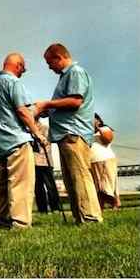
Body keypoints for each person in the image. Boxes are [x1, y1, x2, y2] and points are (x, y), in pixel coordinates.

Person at [34, 43, 102, 224]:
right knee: (72, 178)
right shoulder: (67, 76)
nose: (49, 67)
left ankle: (90, 218)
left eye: (50, 63)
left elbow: (75, 101)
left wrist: (47, 105)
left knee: (79, 175)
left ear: (59, 57)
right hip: (66, 134)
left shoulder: (75, 72)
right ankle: (80, 217)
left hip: (73, 133)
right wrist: (48, 111)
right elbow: (66, 104)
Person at [0, 53, 45, 229]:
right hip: (16, 140)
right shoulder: (14, 83)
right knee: (20, 184)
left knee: (1, 186)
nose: (23, 73)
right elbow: (22, 111)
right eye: (23, 69)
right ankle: (20, 223)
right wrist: (37, 133)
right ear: (18, 66)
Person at [90, 113, 120, 210]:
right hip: (93, 161)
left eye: (93, 119)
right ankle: (101, 207)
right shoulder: (88, 132)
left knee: (107, 184)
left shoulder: (105, 129)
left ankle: (115, 204)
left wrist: (98, 128)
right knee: (98, 186)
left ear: (98, 120)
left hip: (104, 159)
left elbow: (108, 139)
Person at [32, 120, 60, 213]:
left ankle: (55, 207)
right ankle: (42, 209)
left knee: (50, 186)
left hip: (45, 161)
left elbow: (47, 143)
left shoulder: (45, 128)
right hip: (33, 162)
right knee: (38, 187)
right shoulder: (28, 129)